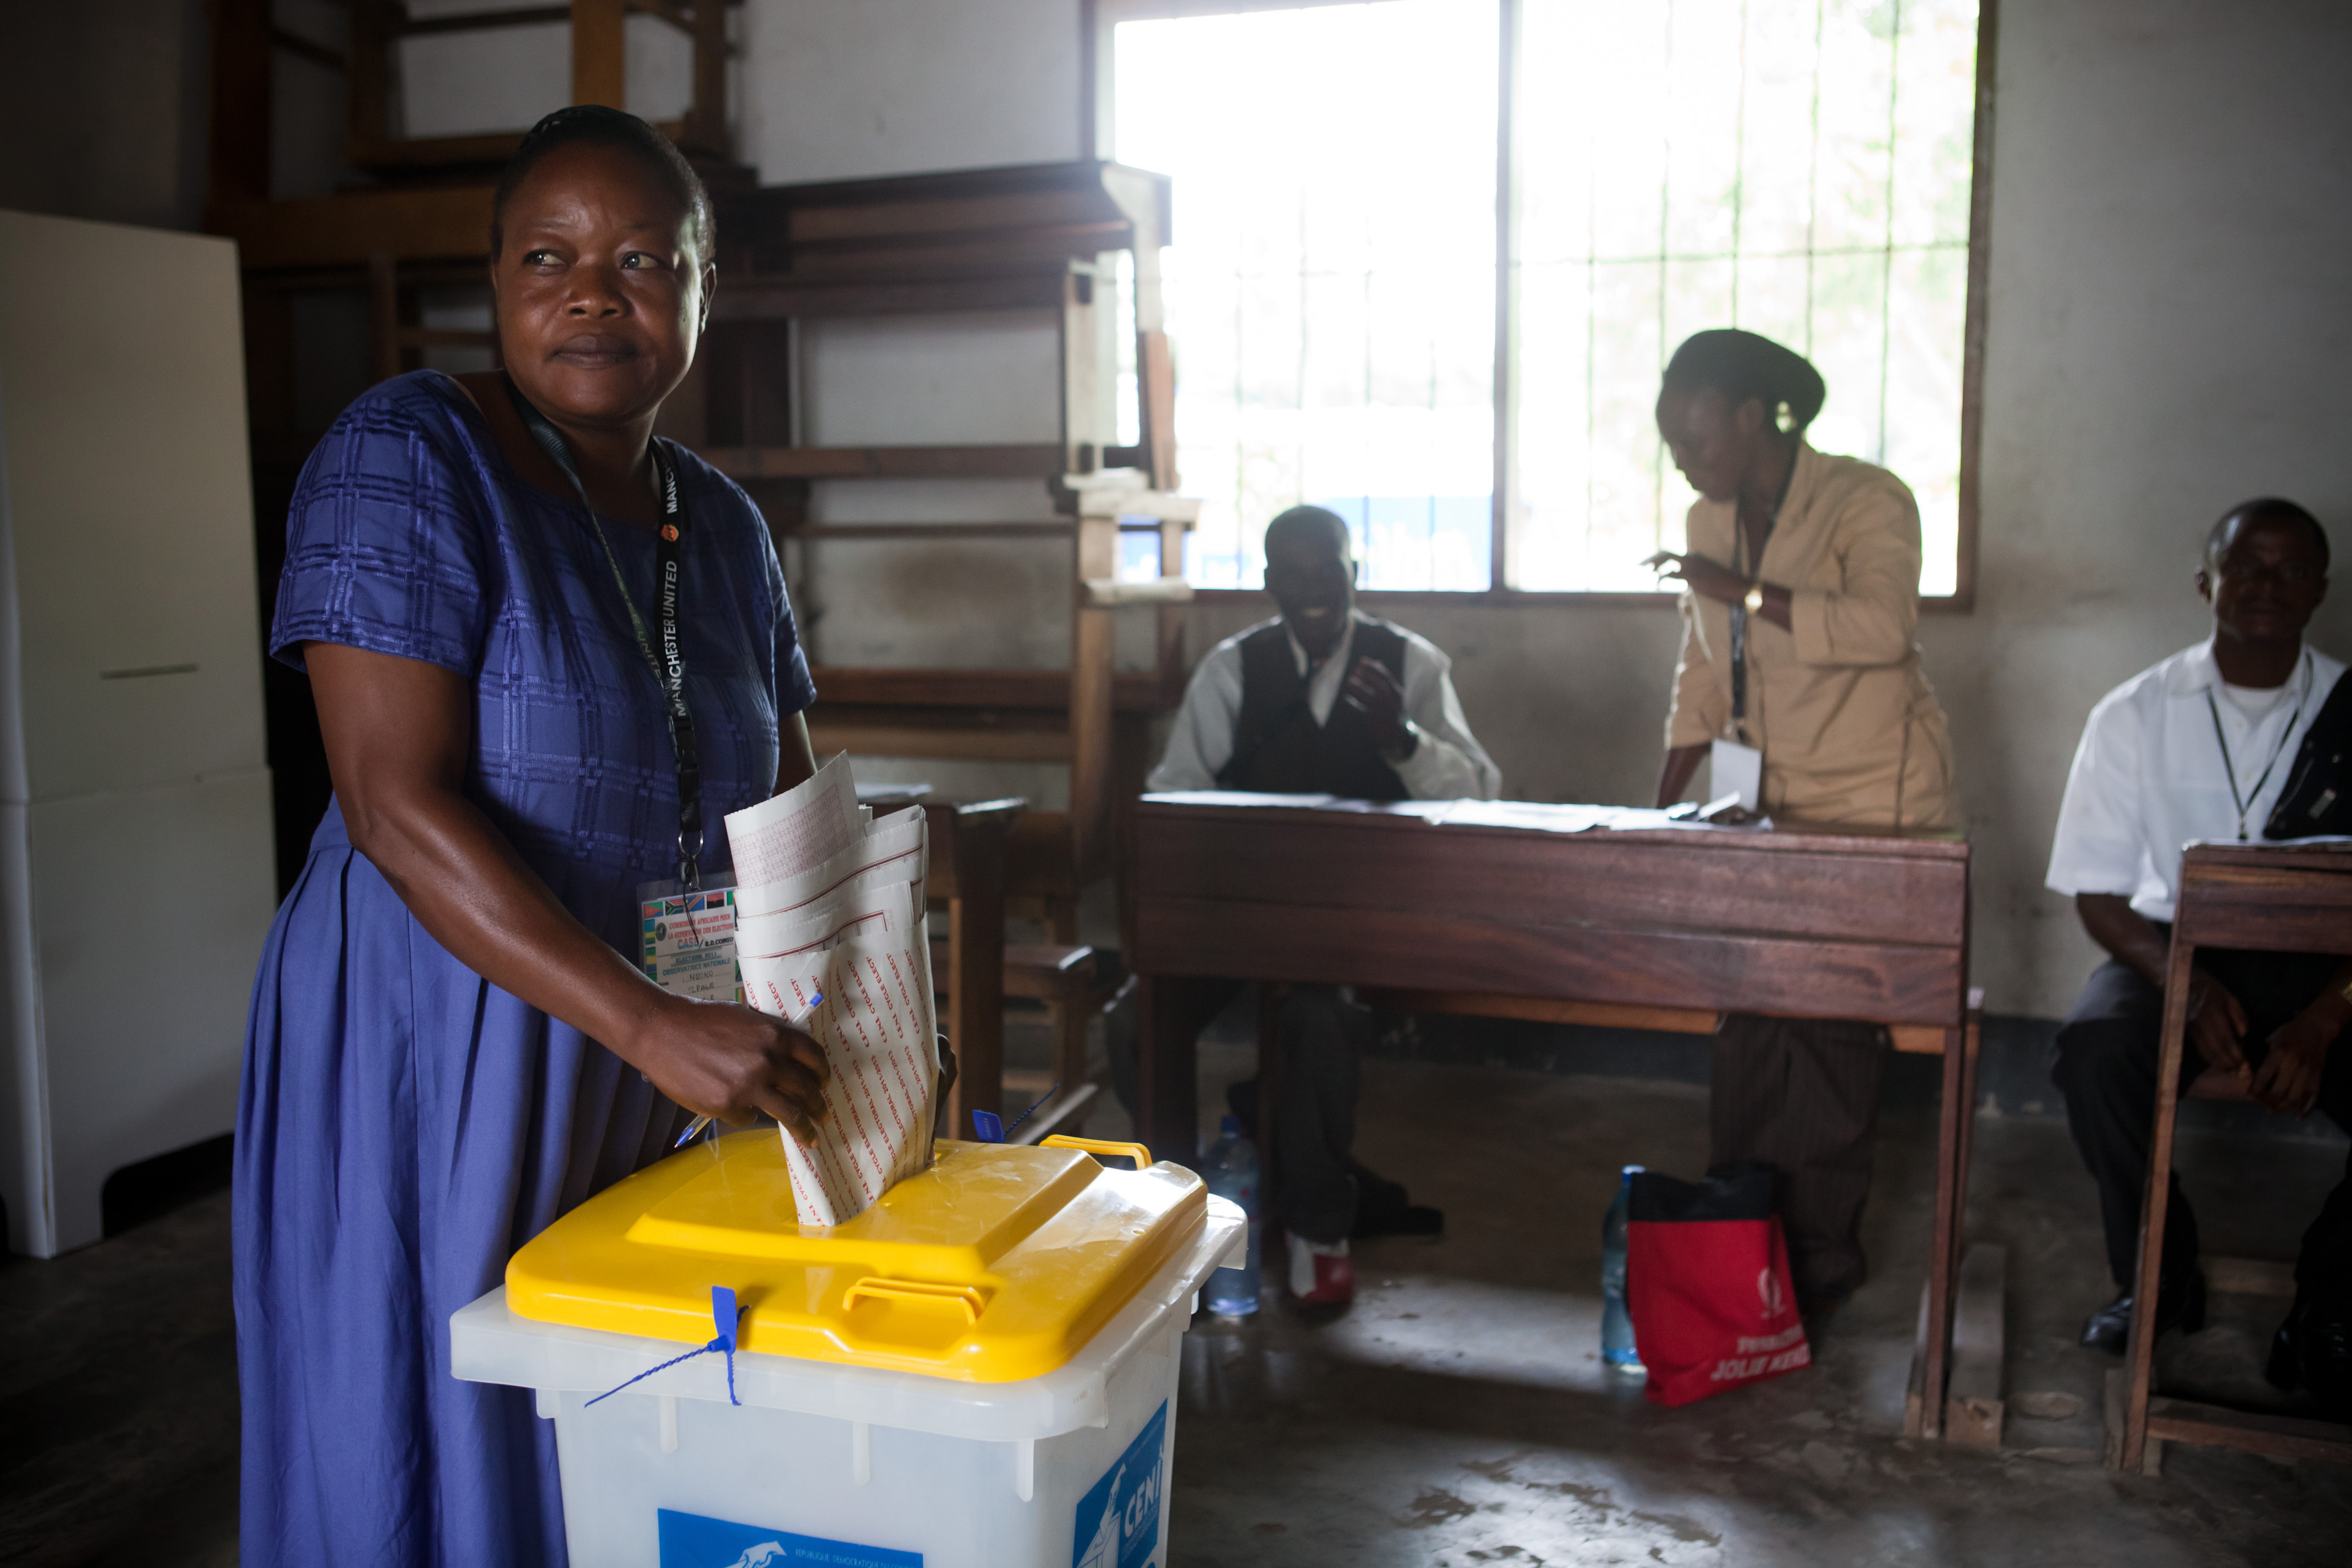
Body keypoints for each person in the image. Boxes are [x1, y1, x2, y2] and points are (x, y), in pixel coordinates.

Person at [235, 108, 836, 1566]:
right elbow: (392, 802)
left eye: (641, 258)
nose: (592, 292)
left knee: (619, 1402)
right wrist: (645, 1020)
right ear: (496, 281)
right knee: (433, 1399)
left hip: (652, 1052)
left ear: (702, 287)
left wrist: (859, 1003)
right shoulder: (411, 454)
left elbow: (792, 802)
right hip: (441, 1028)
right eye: (547, 256)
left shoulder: (726, 523)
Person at [1646, 328, 1957, 1312]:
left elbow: (1881, 626)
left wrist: (1739, 589)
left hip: (1874, 795)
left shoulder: (1865, 498)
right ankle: (1740, 1215)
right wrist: (1664, 792)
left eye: (1695, 439)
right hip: (1757, 795)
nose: (1686, 463)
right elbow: (1702, 664)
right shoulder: (1707, 519)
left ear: (1751, 416)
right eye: (1672, 447)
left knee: (1824, 1020)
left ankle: (1818, 1248)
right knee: (1744, 1009)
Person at [1147, 505, 1498, 1306]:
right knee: (1138, 1020)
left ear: (1353, 573)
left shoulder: (1410, 665)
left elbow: (1482, 790)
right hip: (1240, 918)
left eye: (1328, 570)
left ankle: (1317, 1226)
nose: (1313, 591)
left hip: (1353, 922)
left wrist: (1402, 739)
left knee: (1320, 1019)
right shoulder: (1233, 670)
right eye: (1293, 575)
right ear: (1270, 584)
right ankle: (1177, 1208)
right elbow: (1173, 797)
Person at [2045, 499, 2350, 1414]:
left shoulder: (2348, 707)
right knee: (2093, 1055)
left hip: (2326, 969)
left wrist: (2329, 1011)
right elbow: (2097, 893)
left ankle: (2330, 1303)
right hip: (2169, 951)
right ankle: (2160, 1272)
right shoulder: (2132, 712)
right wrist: (2179, 985)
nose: (2263, 585)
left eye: (2288, 569)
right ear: (2202, 583)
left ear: (2318, 591)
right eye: (2242, 566)